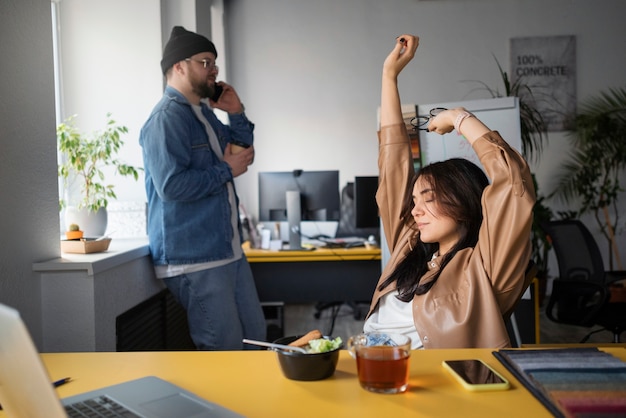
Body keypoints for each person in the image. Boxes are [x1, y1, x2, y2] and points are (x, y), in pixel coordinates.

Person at [363, 35, 536, 349]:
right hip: (369, 365)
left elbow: (513, 184)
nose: (415, 211)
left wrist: (459, 118)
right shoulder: (410, 245)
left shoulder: (485, 265)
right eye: (415, 200)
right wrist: (389, 77)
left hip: (420, 382)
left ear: (464, 200)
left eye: (429, 199)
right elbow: (393, 167)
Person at [139, 26, 266, 350]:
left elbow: (240, 152)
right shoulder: (165, 119)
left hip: (227, 250)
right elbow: (171, 186)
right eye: (205, 62)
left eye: (214, 63)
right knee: (224, 351)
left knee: (257, 341)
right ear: (179, 66)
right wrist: (225, 170)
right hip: (194, 257)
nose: (214, 70)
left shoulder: (202, 114)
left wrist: (236, 113)